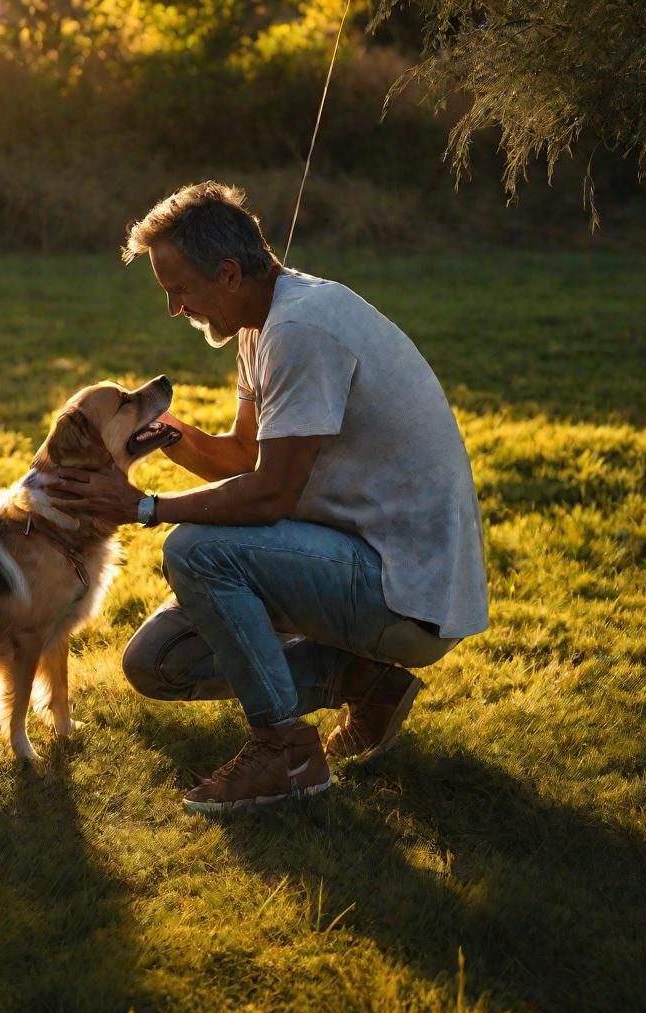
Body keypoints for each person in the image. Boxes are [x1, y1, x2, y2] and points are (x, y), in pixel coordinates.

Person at [49, 181, 489, 814]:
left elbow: (271, 494)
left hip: (406, 588)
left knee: (196, 551)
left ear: (227, 273)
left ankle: (285, 752)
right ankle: (365, 684)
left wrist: (145, 507)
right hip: (345, 556)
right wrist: (161, 434)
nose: (174, 308)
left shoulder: (299, 330)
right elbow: (241, 458)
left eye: (178, 290)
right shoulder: (260, 324)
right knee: (158, 663)